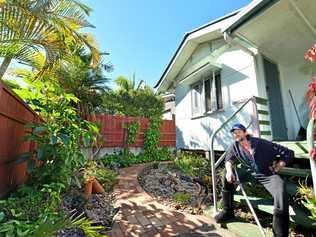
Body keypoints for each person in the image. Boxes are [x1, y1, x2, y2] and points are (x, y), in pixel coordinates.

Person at [214, 123, 294, 237]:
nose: (236, 134)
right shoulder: (234, 146)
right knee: (225, 175)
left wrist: (278, 165)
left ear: (245, 132)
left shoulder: (261, 143)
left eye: (238, 131)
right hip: (249, 173)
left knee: (280, 189)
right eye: (234, 132)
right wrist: (229, 171)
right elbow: (228, 159)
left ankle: (280, 233)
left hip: (266, 174)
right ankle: (228, 212)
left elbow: (288, 153)